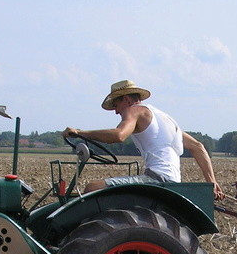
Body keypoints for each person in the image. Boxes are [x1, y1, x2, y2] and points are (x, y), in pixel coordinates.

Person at [63, 80, 224, 198]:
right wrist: (212, 182)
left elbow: (119, 135)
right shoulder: (164, 118)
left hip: (155, 179)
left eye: (116, 105)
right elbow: (198, 146)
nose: (116, 112)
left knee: (92, 188)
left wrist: (79, 133)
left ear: (126, 99)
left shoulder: (134, 110)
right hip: (173, 181)